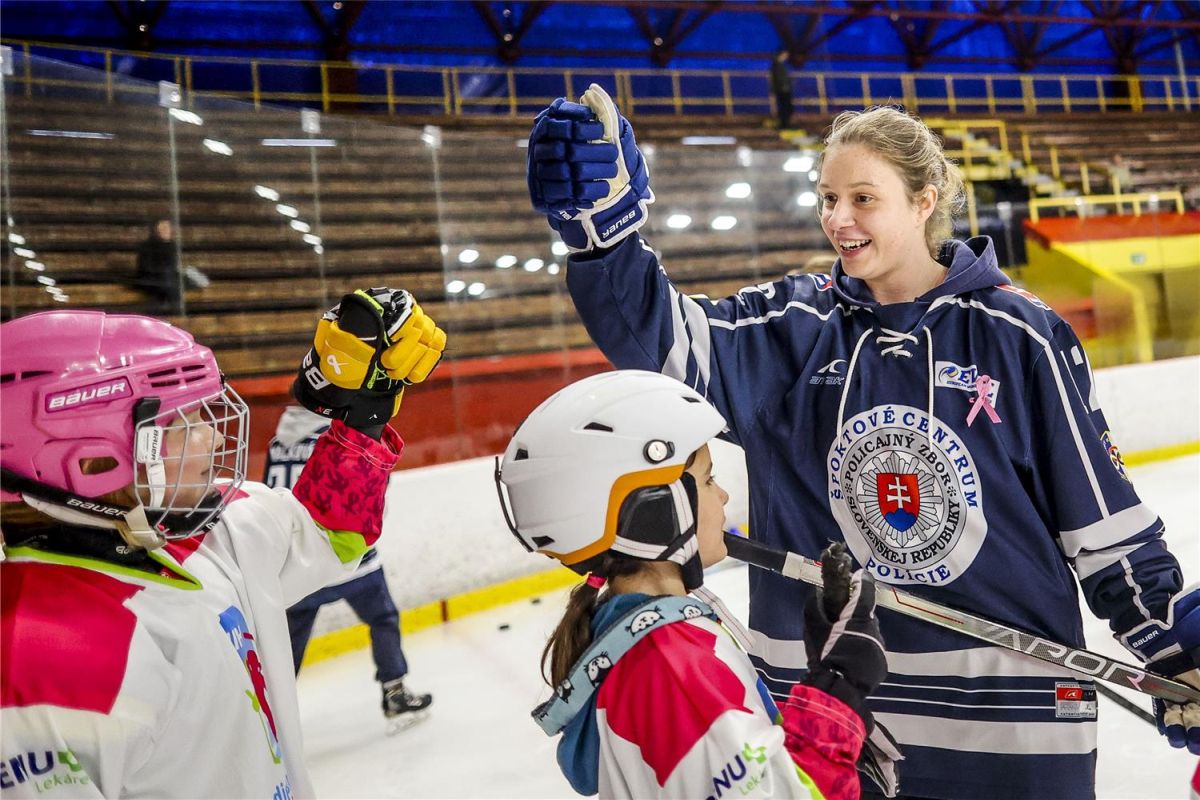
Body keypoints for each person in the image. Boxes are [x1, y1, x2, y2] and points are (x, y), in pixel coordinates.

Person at [525, 86, 1200, 799]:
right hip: (833, 729)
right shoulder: (789, 329)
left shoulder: (1019, 334)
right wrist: (605, 241)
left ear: (924, 201)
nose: (838, 218)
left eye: (863, 199)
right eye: (827, 199)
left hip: (1011, 732)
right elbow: (662, 342)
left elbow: (1100, 523)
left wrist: (1170, 646)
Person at [0, 286, 445, 798]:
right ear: (88, 460)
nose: (212, 437)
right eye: (181, 423)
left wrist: (365, 411)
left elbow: (331, 531)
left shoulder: (201, 530)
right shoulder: (34, 665)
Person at [496, 369, 891, 799]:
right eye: (707, 479)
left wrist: (823, 678)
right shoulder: (675, 669)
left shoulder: (640, 638)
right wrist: (837, 691)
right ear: (651, 510)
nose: (722, 496)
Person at [266, 404, 432, 727]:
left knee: (287, 646)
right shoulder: (335, 438)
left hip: (299, 563)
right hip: (346, 558)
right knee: (383, 618)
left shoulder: (278, 441)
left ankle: (270, 711)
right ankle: (395, 692)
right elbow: (361, 493)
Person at [770, 51, 794, 130]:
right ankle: (784, 124)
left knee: (785, 107)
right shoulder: (777, 66)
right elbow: (778, 79)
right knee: (785, 107)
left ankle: (785, 124)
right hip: (782, 90)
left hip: (783, 89)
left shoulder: (778, 65)